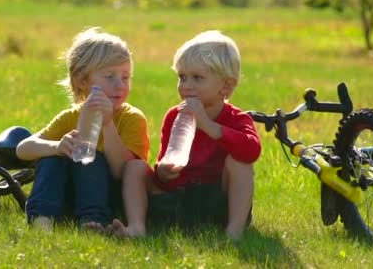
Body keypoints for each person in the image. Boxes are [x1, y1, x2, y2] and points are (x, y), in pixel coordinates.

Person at [111, 30, 261, 240]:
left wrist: (208, 125)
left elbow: (251, 151)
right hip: (176, 200)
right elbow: (167, 159)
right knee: (135, 167)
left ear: (226, 85)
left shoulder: (238, 119)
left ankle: (233, 232)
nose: (186, 85)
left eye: (197, 78)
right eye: (182, 77)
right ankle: (137, 226)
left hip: (216, 204)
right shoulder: (175, 115)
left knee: (241, 164)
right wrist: (162, 171)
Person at [16, 27, 150, 232]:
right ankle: (41, 218)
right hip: (69, 193)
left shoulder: (131, 118)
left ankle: (92, 221)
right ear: (82, 81)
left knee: (92, 156)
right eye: (109, 76)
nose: (120, 85)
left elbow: (122, 171)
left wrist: (108, 125)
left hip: (109, 195)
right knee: (51, 157)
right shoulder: (72, 116)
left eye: (125, 77)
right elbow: (23, 149)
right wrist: (57, 147)